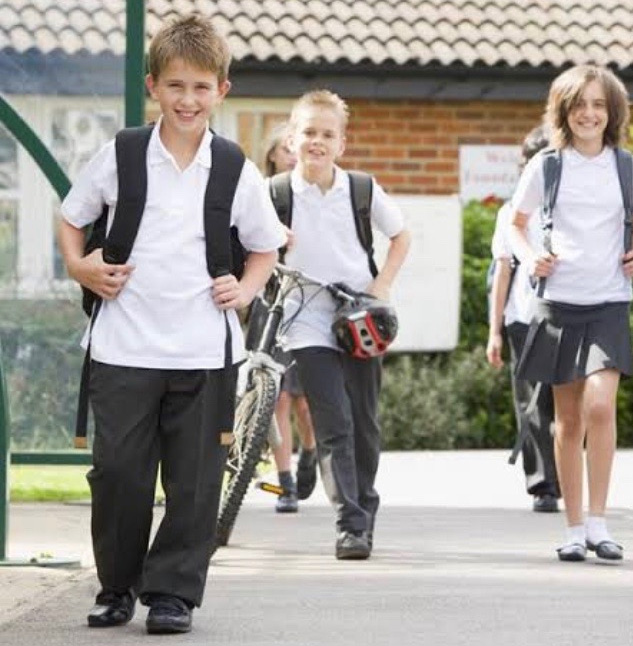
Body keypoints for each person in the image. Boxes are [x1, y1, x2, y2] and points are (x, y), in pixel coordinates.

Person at [57, 14, 285, 633]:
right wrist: (81, 268)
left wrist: (248, 286)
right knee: (119, 474)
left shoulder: (237, 168)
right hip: (122, 344)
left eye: (201, 88)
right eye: (177, 86)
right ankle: (117, 586)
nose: (189, 100)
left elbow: (266, 245)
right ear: (154, 85)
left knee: (194, 482)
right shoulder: (122, 154)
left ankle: (173, 594)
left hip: (206, 350)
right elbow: (72, 217)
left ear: (222, 91)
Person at [509, 65, 633, 562]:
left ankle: (599, 522)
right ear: (564, 112)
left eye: (598, 104)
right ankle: (573, 529)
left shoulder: (627, 167)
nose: (589, 113)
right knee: (567, 421)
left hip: (609, 302)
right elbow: (515, 224)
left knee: (599, 406)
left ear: (611, 111)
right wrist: (530, 257)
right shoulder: (545, 166)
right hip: (558, 304)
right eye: (579, 105)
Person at [278, 90, 411, 560]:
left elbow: (400, 236)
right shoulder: (274, 193)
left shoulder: (361, 189)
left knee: (364, 422)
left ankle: (366, 507)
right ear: (292, 139)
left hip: (358, 314)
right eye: (309, 132)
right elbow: (243, 240)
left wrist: (382, 286)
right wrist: (272, 238)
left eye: (327, 134)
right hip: (305, 317)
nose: (317, 141)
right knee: (332, 418)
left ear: (341, 143)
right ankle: (349, 522)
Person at [486, 125, 560, 514]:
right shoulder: (510, 212)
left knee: (565, 402)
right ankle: (543, 485)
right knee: (531, 403)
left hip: (568, 315)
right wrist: (494, 330)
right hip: (523, 318)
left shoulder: (574, 207)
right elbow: (503, 271)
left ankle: (565, 476)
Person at [260, 122, 318, 513]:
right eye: (285, 148)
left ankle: (310, 451)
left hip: (308, 301)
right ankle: (284, 483)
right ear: (273, 156)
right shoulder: (262, 195)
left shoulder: (315, 195)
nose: (292, 155)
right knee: (277, 396)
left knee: (304, 402)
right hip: (270, 302)